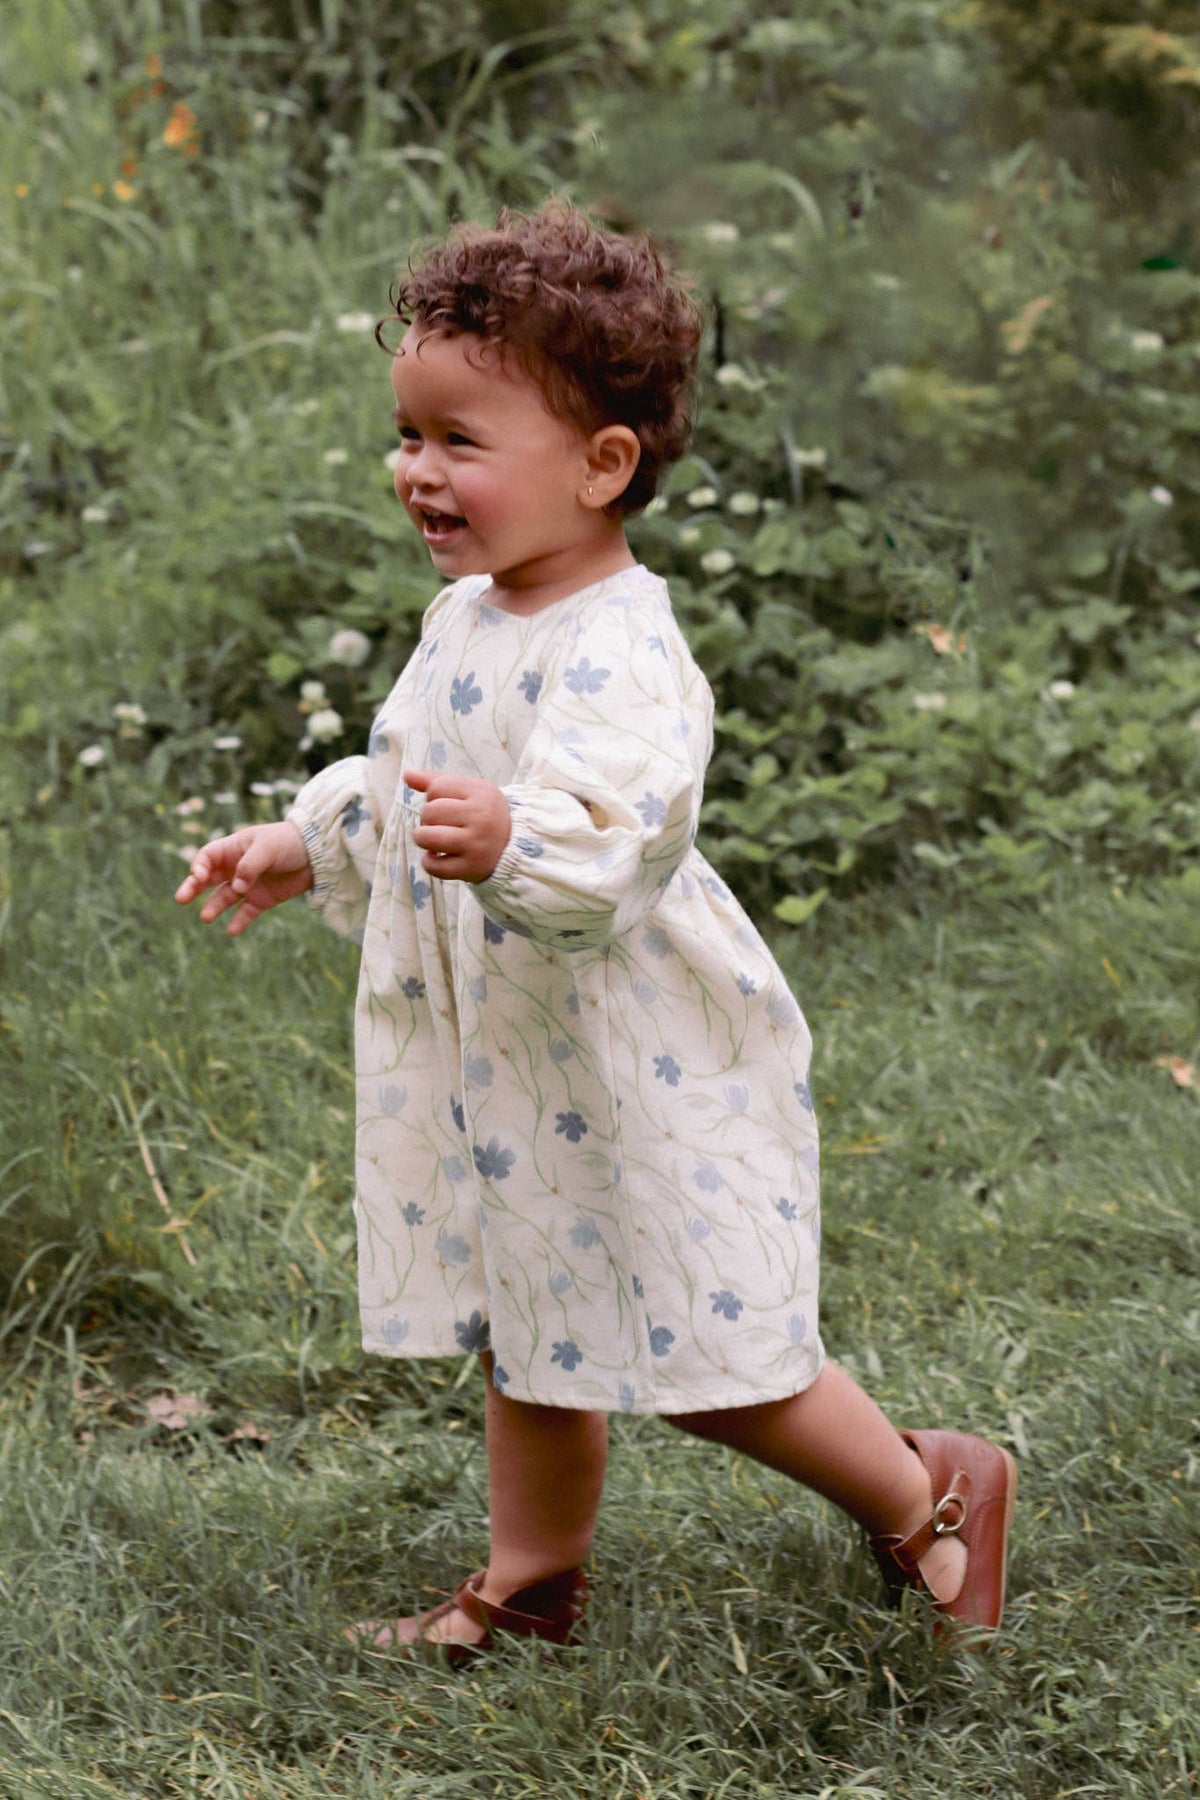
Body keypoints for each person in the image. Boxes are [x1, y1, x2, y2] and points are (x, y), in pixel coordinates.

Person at [175, 202, 1016, 1660]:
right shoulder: (470, 617)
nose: (417, 472)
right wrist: (308, 844)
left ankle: (932, 1490)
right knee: (528, 1308)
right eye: (409, 434)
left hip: (638, 1055)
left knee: (715, 1347)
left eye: (458, 441)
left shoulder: (624, 640)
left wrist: (521, 838)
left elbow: (622, 824)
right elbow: (411, 776)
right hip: (518, 1061)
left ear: (603, 464)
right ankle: (531, 1578)